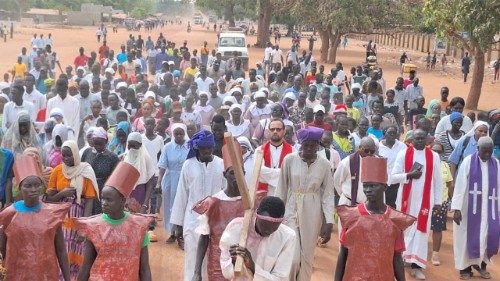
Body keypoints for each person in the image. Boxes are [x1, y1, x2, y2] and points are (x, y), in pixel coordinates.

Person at [335, 156, 415, 281]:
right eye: (365, 186)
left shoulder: (394, 219)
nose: (368, 190)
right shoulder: (351, 216)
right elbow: (343, 254)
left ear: (385, 187)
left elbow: (397, 258)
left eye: (373, 186)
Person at [74, 162, 153, 281]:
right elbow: (86, 266)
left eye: (109, 199)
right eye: (103, 198)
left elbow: (144, 269)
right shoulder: (94, 226)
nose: (104, 203)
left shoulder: (139, 227)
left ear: (122, 200)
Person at [276, 126, 335, 281]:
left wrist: (329, 222)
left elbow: (328, 195)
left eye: (313, 145)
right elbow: (281, 188)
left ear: (318, 146)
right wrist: (277, 214)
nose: (309, 149)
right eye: (305, 145)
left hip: (313, 212)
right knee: (293, 257)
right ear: (300, 144)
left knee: (307, 256)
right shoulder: (289, 160)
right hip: (291, 210)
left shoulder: (325, 164)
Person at [0, 155, 71, 281]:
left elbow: (61, 250)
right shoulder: (8, 214)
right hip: (16, 274)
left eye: (37, 185)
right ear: (20, 187)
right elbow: (2, 249)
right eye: (28, 185)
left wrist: (68, 278)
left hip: (45, 274)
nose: (33, 189)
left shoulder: (52, 214)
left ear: (42, 186)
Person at [170, 129, 225, 281]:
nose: (206, 151)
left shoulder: (221, 164)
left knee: (212, 258)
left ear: (213, 147)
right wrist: (178, 225)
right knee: (192, 258)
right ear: (197, 148)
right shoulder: (188, 165)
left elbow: (226, 192)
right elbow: (182, 194)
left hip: (215, 221)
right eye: (203, 148)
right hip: (192, 220)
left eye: (209, 147)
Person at [391, 129, 443, 279]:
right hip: (406, 201)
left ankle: (417, 266)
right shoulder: (403, 154)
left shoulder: (433, 156)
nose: (420, 141)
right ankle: (404, 260)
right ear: (412, 140)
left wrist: (438, 202)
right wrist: (409, 175)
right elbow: (393, 177)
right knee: (405, 230)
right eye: (417, 138)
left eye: (422, 138)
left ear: (427, 139)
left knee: (421, 232)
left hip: (425, 202)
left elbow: (438, 181)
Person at [192, 141, 245, 281]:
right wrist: (197, 272)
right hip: (217, 263)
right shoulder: (213, 203)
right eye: (233, 173)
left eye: (240, 172)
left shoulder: (251, 203)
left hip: (244, 263)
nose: (236, 177)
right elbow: (204, 238)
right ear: (224, 175)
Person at [46, 140, 99, 279]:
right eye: (63, 155)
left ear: (76, 154)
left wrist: (84, 227)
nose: (66, 158)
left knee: (77, 252)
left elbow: (89, 201)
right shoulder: (57, 170)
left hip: (78, 217)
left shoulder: (85, 170)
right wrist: (62, 193)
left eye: (69, 155)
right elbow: (49, 198)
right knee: (61, 251)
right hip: (60, 219)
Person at [451, 136, 499, 279]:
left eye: (490, 152)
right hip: (468, 210)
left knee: (487, 237)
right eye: (484, 151)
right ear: (477, 148)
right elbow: (459, 186)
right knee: (465, 238)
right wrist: (457, 209)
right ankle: (465, 269)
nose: (487, 155)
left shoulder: (496, 164)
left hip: (489, 210)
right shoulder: (468, 162)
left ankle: (481, 266)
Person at [219, 196, 296, 280]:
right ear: (257, 215)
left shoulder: (288, 237)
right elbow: (226, 274)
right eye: (264, 226)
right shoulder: (236, 227)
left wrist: (252, 266)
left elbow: (281, 279)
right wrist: (234, 263)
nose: (267, 231)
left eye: (274, 228)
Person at [157, 123, 190, 243]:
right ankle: (172, 232)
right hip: (170, 179)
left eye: (181, 133)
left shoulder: (190, 147)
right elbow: (162, 166)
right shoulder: (167, 147)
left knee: (183, 205)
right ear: (172, 134)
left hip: (185, 178)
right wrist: (158, 183)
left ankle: (181, 232)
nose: (179, 136)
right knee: (169, 206)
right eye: (176, 133)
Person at [81, 127, 118, 214]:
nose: (98, 146)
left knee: (99, 214)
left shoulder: (112, 157)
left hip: (102, 190)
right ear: (92, 141)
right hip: (86, 187)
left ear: (106, 141)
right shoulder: (87, 152)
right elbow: (81, 168)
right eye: (96, 143)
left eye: (100, 144)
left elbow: (114, 178)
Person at [429, 142, 454, 266]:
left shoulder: (445, 166)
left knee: (437, 229)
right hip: (426, 203)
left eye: (439, 151)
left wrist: (452, 202)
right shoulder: (425, 164)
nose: (436, 153)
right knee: (421, 228)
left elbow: (449, 184)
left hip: (441, 203)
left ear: (442, 153)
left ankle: (435, 254)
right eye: (434, 150)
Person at [334, 137, 377, 208]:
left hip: (367, 206)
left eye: (372, 151)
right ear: (360, 147)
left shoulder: (376, 162)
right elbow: (336, 181)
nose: (369, 154)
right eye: (366, 150)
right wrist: (345, 195)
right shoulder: (347, 162)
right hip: (348, 203)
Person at [255, 119, 294, 195]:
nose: (275, 131)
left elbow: (292, 172)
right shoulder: (259, 150)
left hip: (285, 193)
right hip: (265, 194)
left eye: (278, 129)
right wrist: (283, 173)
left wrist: (268, 174)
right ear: (269, 131)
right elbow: (259, 171)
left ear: (284, 132)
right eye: (272, 129)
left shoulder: (293, 151)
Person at [379, 126, 407, 208]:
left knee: (396, 207)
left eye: (394, 133)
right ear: (385, 134)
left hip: (397, 182)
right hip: (383, 183)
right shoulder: (379, 147)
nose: (392, 135)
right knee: (384, 207)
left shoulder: (402, 146)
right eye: (389, 133)